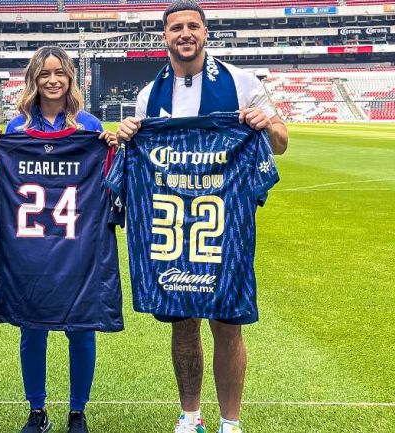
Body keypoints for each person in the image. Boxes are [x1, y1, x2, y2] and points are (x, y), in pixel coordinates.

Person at [116, 2, 289, 433]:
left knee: (227, 324)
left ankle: (231, 422)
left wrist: (265, 122)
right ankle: (190, 415)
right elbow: (140, 151)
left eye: (193, 25)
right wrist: (127, 135)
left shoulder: (240, 81)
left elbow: (282, 143)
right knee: (182, 322)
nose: (185, 33)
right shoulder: (149, 94)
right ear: (165, 37)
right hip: (172, 227)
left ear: (206, 32)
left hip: (224, 226)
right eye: (176, 27)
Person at [5, 45, 117, 433]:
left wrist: (112, 149)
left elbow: (110, 180)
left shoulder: (89, 126)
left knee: (81, 329)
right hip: (31, 248)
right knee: (31, 328)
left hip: (79, 247)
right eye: (44, 74)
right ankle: (37, 410)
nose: (52, 80)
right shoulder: (15, 130)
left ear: (70, 78)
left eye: (60, 73)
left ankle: (77, 410)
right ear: (33, 80)